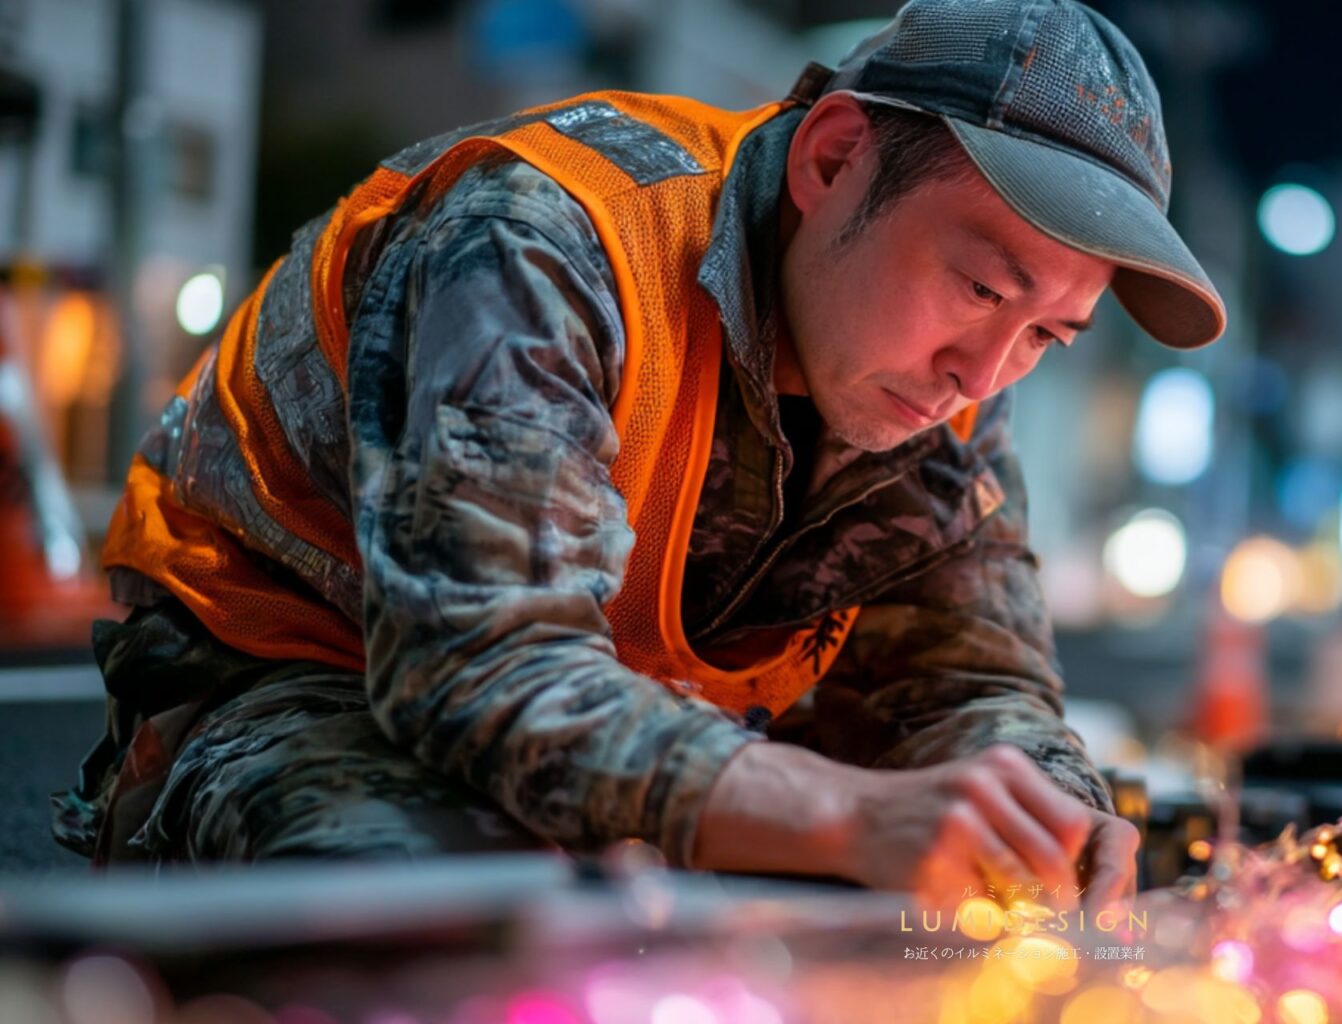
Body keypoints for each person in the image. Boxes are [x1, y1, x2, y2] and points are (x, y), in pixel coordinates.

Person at [52, 0, 1224, 912]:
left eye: (1047, 336)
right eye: (979, 287)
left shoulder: (941, 388)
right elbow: (482, 670)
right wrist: (845, 816)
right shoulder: (547, 243)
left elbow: (965, 683)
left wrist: (1048, 818)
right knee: (471, 925)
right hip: (304, 680)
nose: (985, 371)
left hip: (637, 733)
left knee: (931, 928)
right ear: (831, 161)